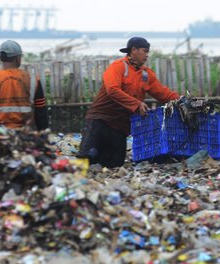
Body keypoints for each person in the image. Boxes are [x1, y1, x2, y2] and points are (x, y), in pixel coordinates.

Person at [77, 37, 180, 168]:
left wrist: (182, 101)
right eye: (145, 51)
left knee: (114, 164)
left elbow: (163, 94)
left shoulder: (146, 75)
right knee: (86, 156)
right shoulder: (118, 67)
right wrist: (136, 104)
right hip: (99, 120)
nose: (147, 55)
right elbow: (112, 90)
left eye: (148, 52)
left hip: (120, 126)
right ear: (134, 50)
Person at [0, 40, 48, 130]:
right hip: (25, 133)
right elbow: (41, 112)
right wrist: (42, 135)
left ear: (0, 58)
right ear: (18, 58)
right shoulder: (33, 79)